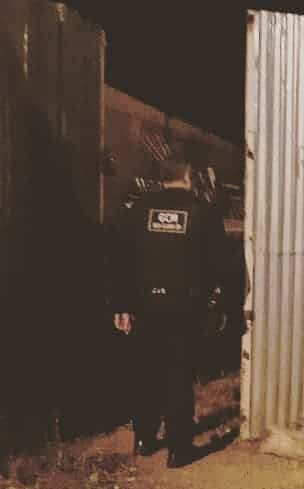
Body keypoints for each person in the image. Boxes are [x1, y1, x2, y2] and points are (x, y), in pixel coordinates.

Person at [109, 158, 227, 468]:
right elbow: (217, 264)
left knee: (146, 371)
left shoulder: (138, 210)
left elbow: (121, 260)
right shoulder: (203, 211)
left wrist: (122, 305)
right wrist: (216, 305)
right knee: (178, 374)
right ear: (188, 178)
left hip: (145, 305)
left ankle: (144, 439)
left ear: (162, 179)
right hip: (184, 307)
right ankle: (178, 448)